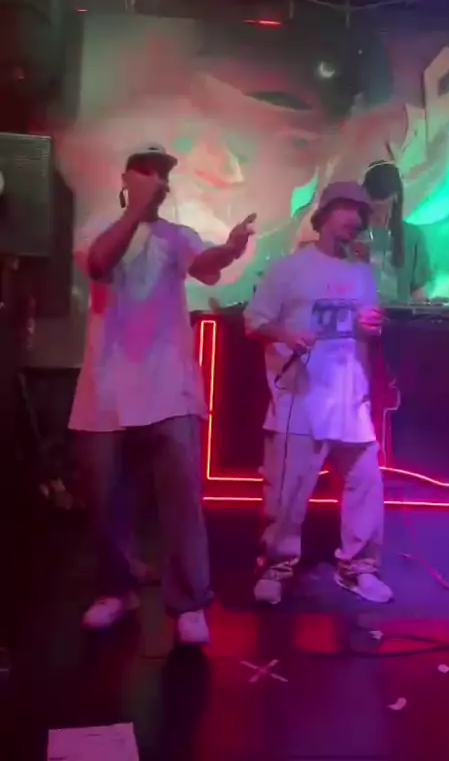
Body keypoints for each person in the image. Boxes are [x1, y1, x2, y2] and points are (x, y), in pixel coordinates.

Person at [70, 144, 255, 644]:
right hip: (105, 387)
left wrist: (231, 248)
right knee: (105, 497)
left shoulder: (178, 235)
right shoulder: (98, 226)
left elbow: (205, 263)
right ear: (127, 178)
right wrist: (134, 209)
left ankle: (189, 602)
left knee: (181, 499)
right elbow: (99, 264)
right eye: (147, 172)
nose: (158, 182)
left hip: (170, 386)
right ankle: (116, 589)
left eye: (163, 175)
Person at [244, 181, 393, 606]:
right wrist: (286, 334)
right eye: (346, 209)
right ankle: (275, 567)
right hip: (300, 400)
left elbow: (366, 330)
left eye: (360, 212)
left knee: (365, 486)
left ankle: (359, 568)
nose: (354, 219)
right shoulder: (290, 269)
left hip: (351, 400)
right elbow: (254, 321)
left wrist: (371, 329)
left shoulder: (361, 273)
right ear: (324, 214)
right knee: (286, 496)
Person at [360, 161, 430, 303]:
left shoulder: (413, 236)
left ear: (396, 196)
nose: (376, 204)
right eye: (372, 198)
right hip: (358, 314)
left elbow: (417, 291)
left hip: (400, 316)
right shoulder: (352, 234)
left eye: (382, 197)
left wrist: (428, 307)